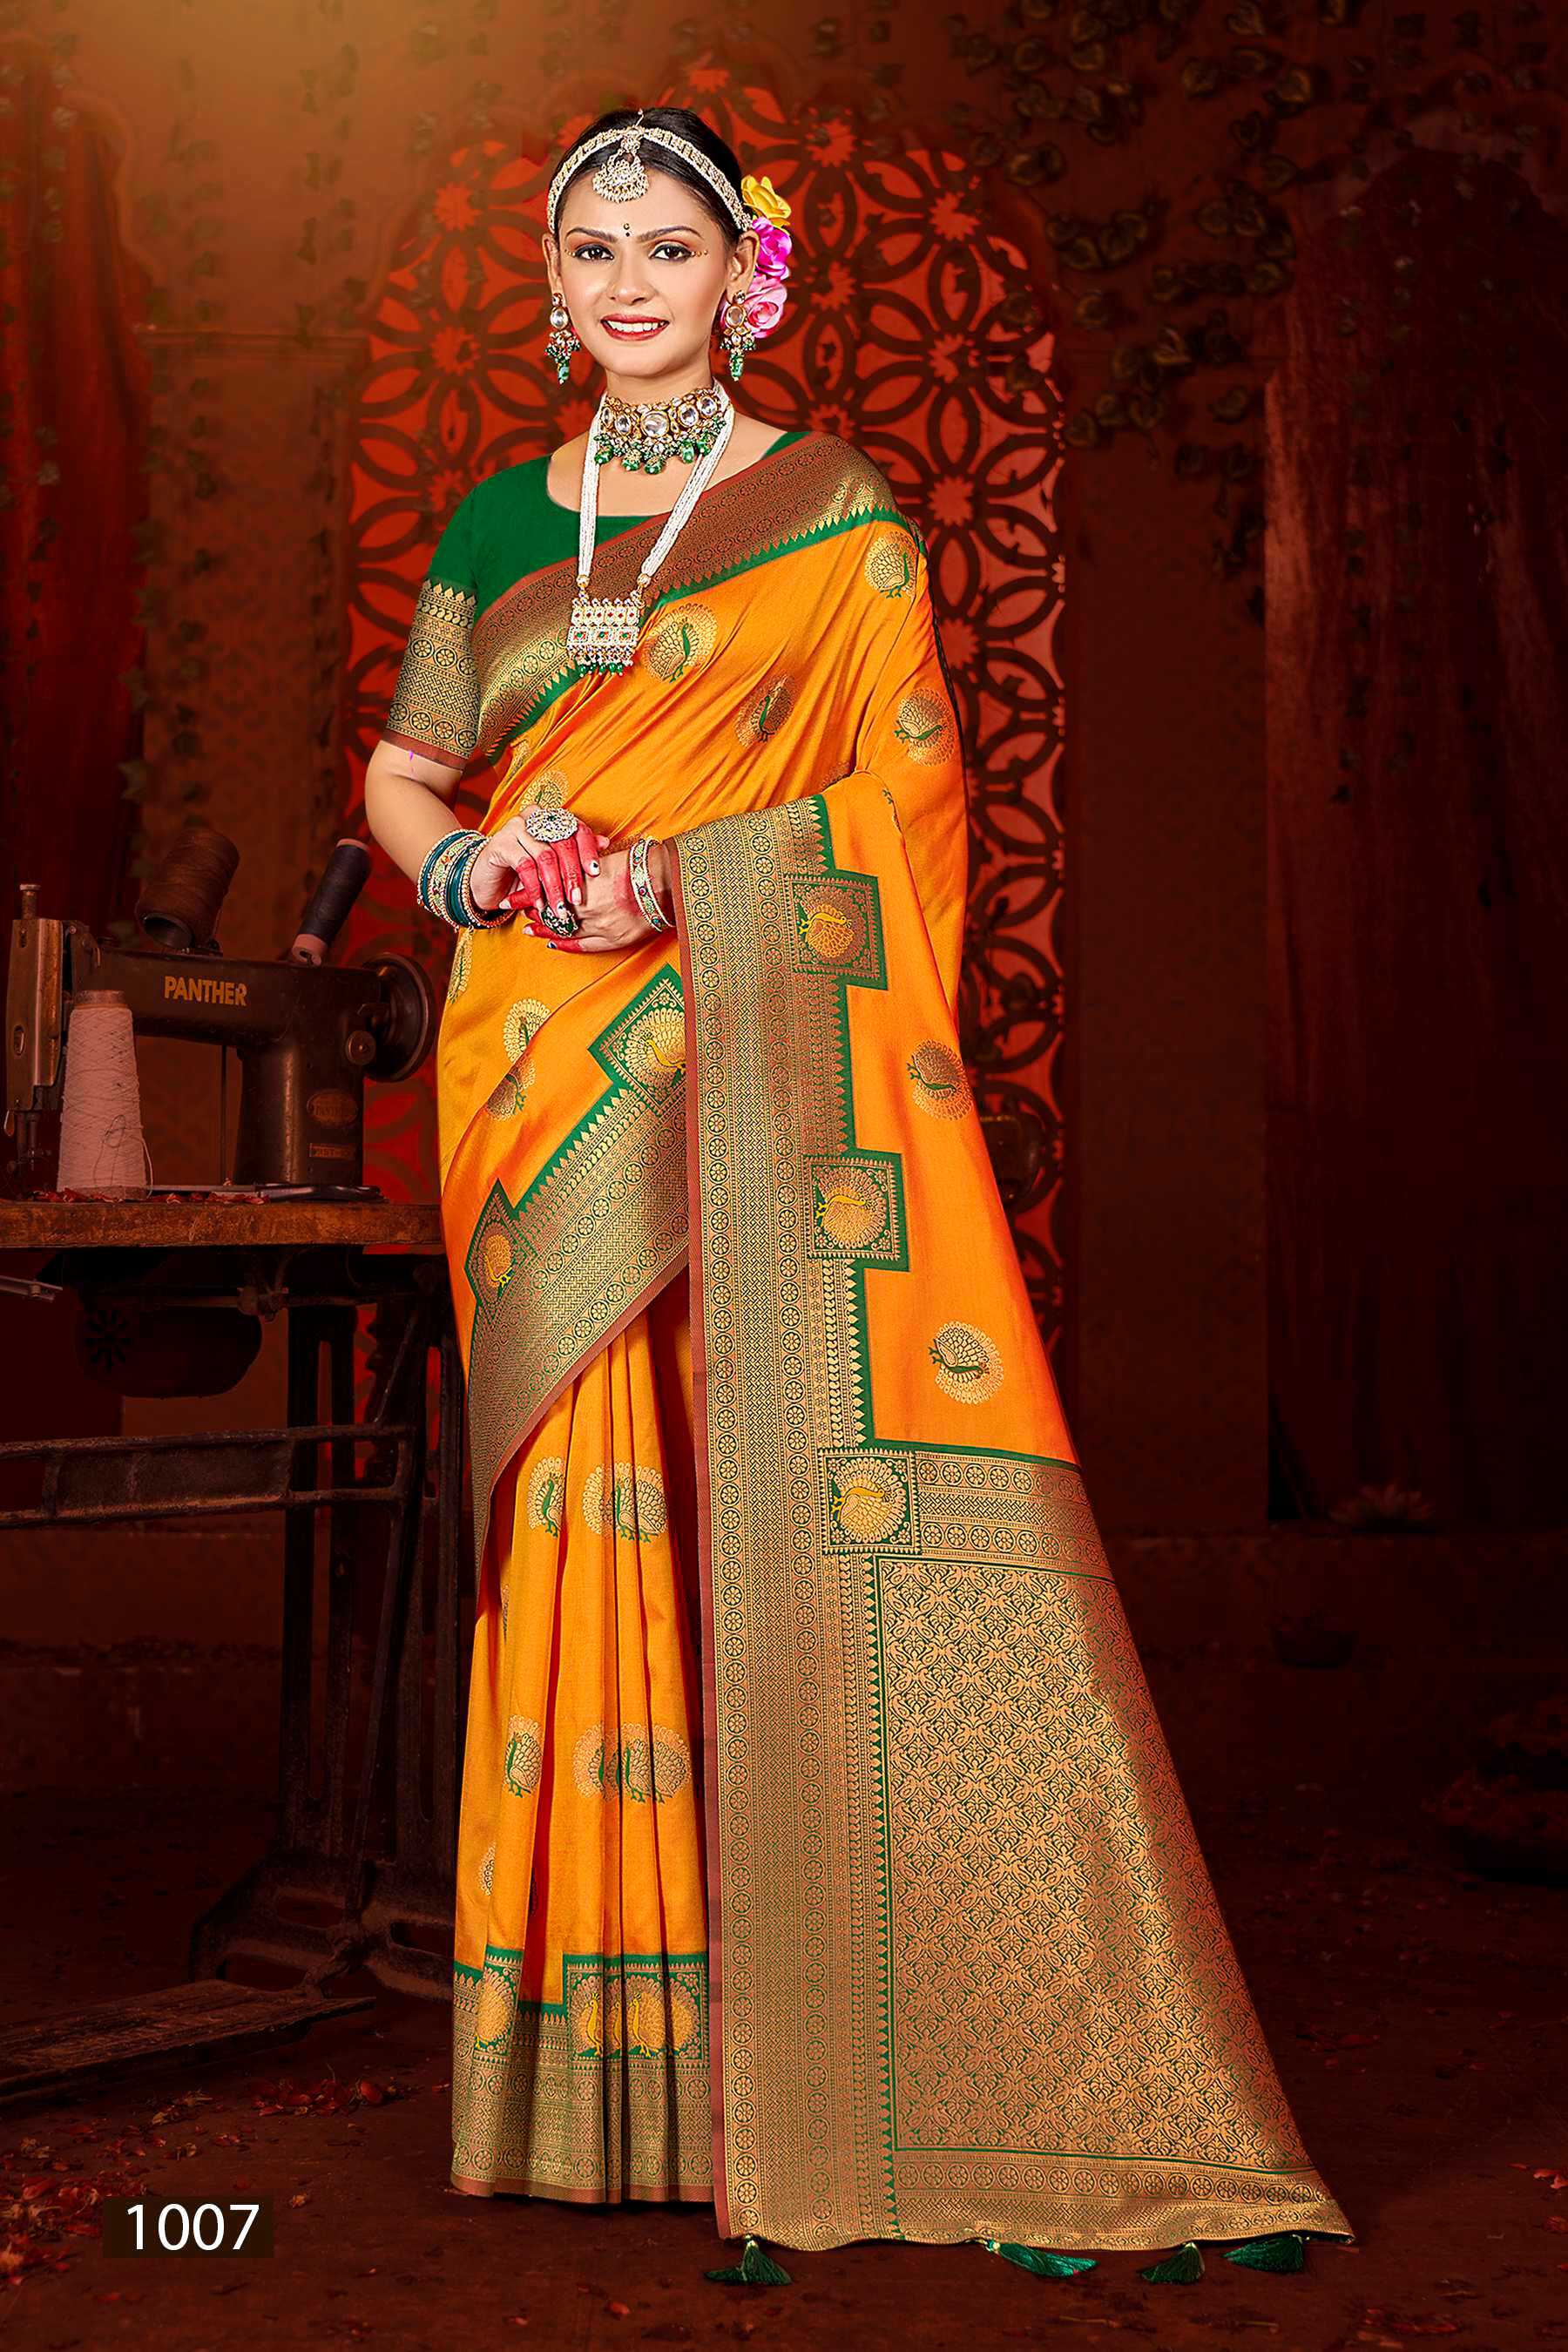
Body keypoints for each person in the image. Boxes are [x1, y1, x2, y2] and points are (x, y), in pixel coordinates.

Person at [363, 102, 1351, 2280]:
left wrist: (685, 885)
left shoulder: (835, 516)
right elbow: (407, 767)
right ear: (558, 286)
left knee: (771, 1484)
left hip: (745, 1035)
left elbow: (905, 799)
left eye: (671, 247)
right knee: (582, 1505)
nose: (631, 283)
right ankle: (602, 2090)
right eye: (596, 249)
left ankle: (821, 2056)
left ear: (745, 276)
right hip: (533, 1062)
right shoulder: (500, 519)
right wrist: (472, 863)